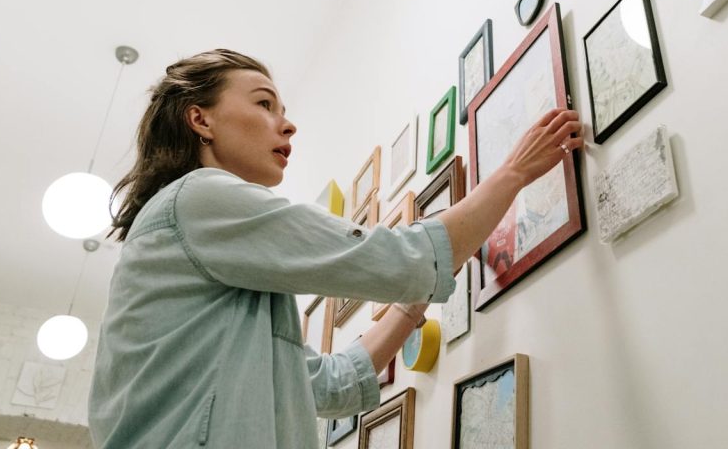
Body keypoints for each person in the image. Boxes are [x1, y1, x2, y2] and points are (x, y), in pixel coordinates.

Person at [88, 48, 583, 448]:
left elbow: (331, 384)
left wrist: (416, 304)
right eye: (264, 104)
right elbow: (395, 258)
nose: (287, 125)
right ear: (200, 119)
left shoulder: (228, 270)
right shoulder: (198, 198)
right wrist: (513, 172)